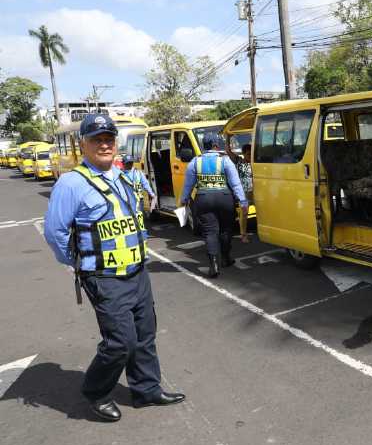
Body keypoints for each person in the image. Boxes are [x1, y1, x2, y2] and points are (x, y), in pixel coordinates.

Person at [44, 113, 185, 423]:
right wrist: (79, 263)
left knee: (145, 335)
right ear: (84, 145)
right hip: (105, 277)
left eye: (109, 139)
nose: (105, 144)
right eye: (97, 140)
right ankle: (96, 392)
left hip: (137, 271)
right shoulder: (71, 183)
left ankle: (146, 390)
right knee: (120, 342)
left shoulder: (120, 176)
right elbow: (55, 233)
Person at [180, 133, 248, 278]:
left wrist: (183, 200)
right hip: (224, 197)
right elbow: (235, 183)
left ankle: (214, 265)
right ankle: (226, 258)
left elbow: (188, 186)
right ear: (216, 145)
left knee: (210, 232)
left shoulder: (194, 162)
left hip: (203, 198)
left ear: (204, 146)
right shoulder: (225, 161)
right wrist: (243, 201)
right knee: (225, 230)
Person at [236, 144, 253, 244]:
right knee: (244, 213)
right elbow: (228, 151)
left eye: (251, 154)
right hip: (244, 192)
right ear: (243, 154)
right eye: (248, 154)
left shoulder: (255, 162)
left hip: (255, 191)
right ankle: (243, 235)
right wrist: (228, 138)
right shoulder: (239, 161)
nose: (250, 156)